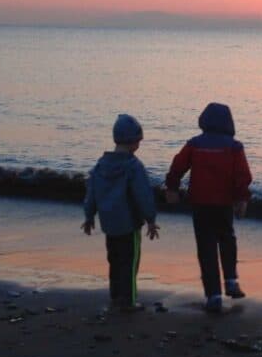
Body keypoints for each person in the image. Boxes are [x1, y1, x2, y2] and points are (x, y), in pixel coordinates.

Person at [165, 103, 252, 313]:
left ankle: (213, 295)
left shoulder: (195, 144)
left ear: (203, 121)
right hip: (223, 204)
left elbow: (177, 166)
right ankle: (231, 280)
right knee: (227, 239)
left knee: (206, 249)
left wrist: (172, 188)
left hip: (200, 204)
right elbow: (243, 177)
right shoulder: (234, 147)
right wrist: (242, 199)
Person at [82, 114, 160, 312]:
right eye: (139, 141)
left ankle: (116, 296)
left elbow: (92, 191)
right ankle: (129, 301)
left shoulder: (101, 165)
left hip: (109, 224)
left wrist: (89, 215)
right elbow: (143, 194)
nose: (139, 145)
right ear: (133, 141)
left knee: (114, 262)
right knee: (130, 263)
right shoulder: (133, 166)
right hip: (129, 224)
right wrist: (150, 218)